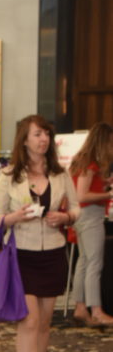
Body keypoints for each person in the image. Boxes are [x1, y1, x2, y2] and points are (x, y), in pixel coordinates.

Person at [0, 115, 79, 352]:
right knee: (29, 321)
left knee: (45, 323)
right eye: (37, 134)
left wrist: (64, 217)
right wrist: (13, 218)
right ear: (24, 140)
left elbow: (76, 209)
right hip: (21, 254)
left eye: (46, 134)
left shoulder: (60, 174)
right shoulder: (8, 176)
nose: (43, 139)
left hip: (53, 251)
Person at [69, 122, 113, 327]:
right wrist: (108, 193)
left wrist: (104, 185)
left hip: (82, 216)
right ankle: (96, 311)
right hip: (90, 215)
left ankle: (80, 307)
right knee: (94, 263)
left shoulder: (82, 160)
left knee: (84, 262)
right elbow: (82, 195)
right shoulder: (91, 163)